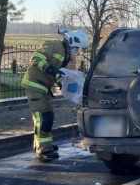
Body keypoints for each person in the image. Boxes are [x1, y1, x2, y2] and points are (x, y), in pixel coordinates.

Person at [21, 29, 89, 162]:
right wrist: (48, 68)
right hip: (35, 85)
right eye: (77, 48)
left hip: (43, 87)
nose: (77, 51)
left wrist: (62, 81)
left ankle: (42, 145)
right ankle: (44, 151)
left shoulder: (64, 54)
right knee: (44, 117)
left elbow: (56, 71)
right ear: (71, 43)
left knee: (44, 117)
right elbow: (36, 58)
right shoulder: (54, 46)